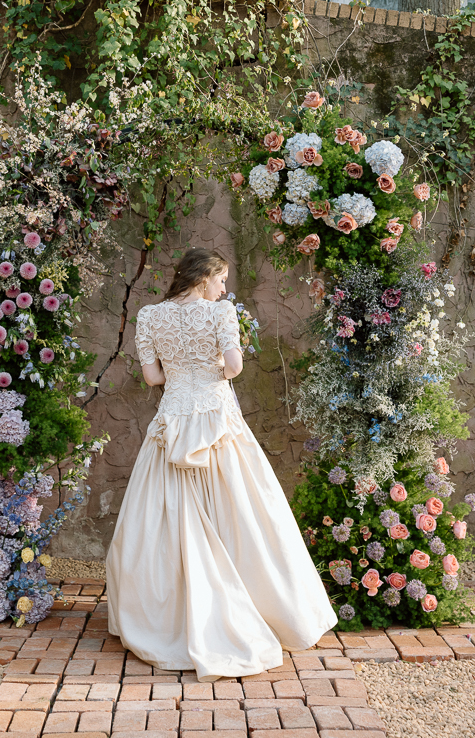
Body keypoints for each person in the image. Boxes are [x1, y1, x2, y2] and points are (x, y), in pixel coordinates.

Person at [106, 247, 337, 681]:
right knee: (243, 507)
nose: (224, 288)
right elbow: (233, 367)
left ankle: (164, 615)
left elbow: (154, 378)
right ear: (204, 278)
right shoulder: (220, 313)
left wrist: (183, 371)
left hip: (172, 418)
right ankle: (261, 604)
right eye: (221, 279)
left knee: (161, 511)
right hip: (215, 419)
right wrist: (213, 364)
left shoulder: (150, 316)